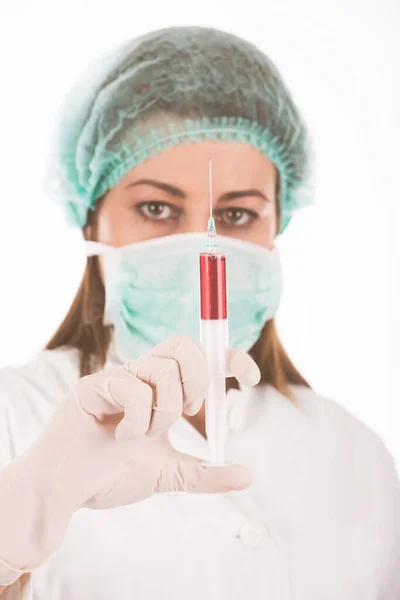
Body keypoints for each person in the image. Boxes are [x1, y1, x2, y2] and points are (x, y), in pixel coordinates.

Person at [0, 26, 399, 600]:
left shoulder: (357, 457)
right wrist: (26, 511)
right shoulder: (18, 421)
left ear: (278, 228)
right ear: (91, 222)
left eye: (236, 216)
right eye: (156, 207)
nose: (199, 248)